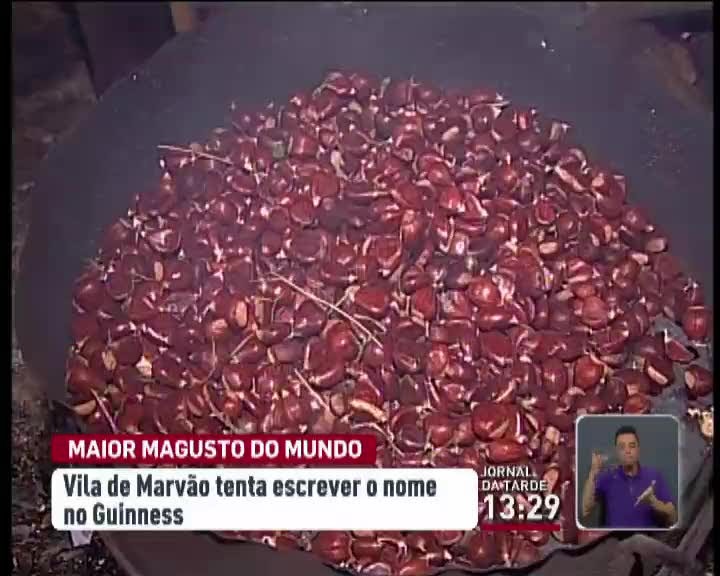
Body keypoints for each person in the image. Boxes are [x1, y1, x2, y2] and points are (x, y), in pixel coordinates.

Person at [581, 425, 677, 528]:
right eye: (622, 447)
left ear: (638, 449)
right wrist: (593, 472)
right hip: (615, 537)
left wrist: (654, 502)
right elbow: (585, 510)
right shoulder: (607, 477)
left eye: (632, 446)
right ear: (617, 451)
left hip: (647, 537)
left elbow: (673, 517)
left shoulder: (654, 476)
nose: (627, 451)